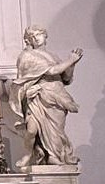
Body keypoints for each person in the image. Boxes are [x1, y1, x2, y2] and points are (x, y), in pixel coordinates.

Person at [12, 25, 83, 168]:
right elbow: (52, 71)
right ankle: (28, 154)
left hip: (57, 96)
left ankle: (53, 156)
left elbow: (66, 78)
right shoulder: (27, 56)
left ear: (45, 36)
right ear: (28, 40)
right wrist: (70, 60)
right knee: (31, 129)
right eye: (32, 36)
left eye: (39, 34)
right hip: (38, 96)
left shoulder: (54, 56)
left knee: (56, 130)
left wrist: (72, 65)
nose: (36, 38)